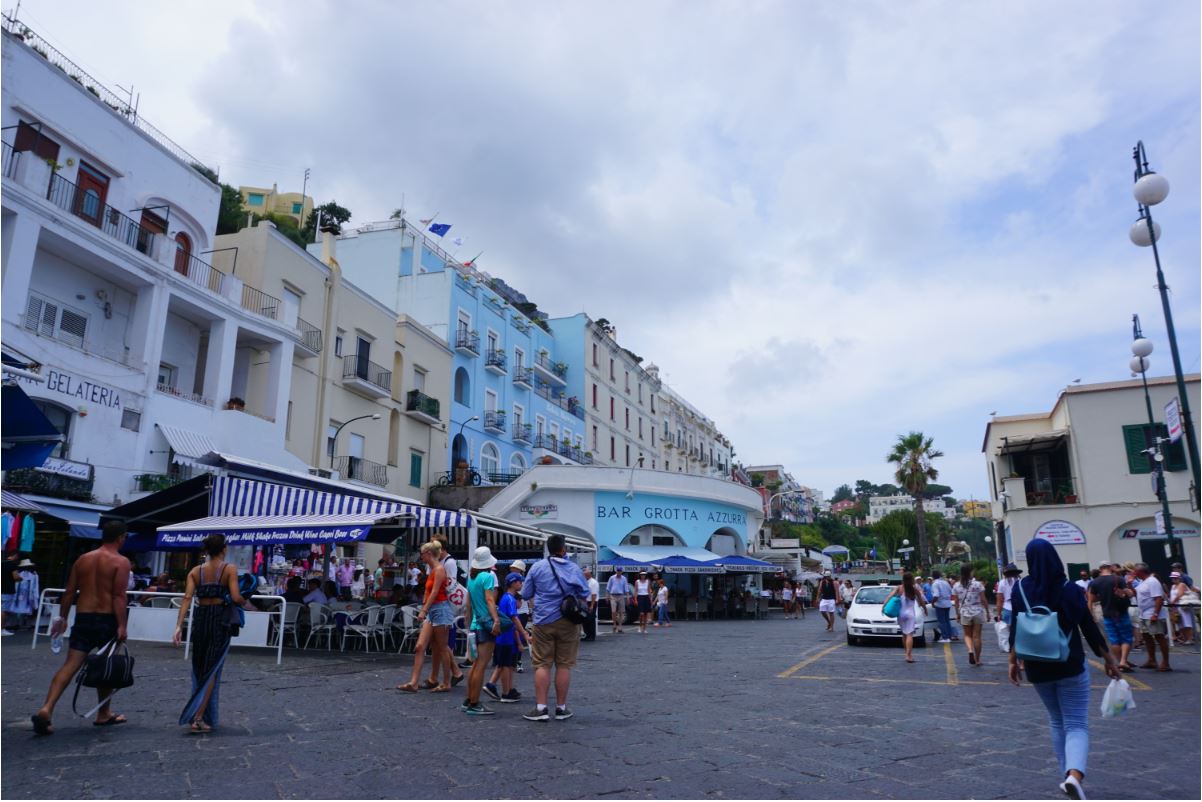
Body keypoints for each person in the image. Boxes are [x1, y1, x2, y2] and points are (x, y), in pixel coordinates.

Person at [1008, 538, 1119, 800]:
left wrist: (1012, 661)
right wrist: (1109, 660)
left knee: (1057, 721)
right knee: (1076, 723)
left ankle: (1067, 777)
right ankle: (1074, 776)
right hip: (1069, 663)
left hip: (1036, 665)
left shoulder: (1021, 588)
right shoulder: (1069, 589)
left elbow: (1016, 627)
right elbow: (1089, 628)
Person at [31, 522, 131, 734]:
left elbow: (69, 592)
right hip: (106, 619)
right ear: (121, 538)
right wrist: (122, 624)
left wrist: (63, 617)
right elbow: (118, 596)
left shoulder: (83, 559)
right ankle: (103, 713)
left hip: (84, 617)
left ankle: (47, 708)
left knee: (70, 664)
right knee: (107, 665)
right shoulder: (121, 562)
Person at [172, 533, 255, 734]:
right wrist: (246, 602)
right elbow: (235, 596)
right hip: (219, 620)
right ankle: (199, 717)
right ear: (224, 549)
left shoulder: (195, 571)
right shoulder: (229, 569)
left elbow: (187, 598)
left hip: (201, 618)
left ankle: (199, 712)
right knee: (212, 669)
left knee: (200, 667)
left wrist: (178, 626)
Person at [520, 534, 589, 722]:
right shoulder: (574, 569)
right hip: (568, 621)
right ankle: (561, 707)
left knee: (542, 663)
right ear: (563, 549)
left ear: (548, 549)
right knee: (564, 664)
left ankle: (541, 708)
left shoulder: (537, 567)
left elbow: (526, 594)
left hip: (543, 620)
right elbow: (585, 593)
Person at [395, 541, 457, 694]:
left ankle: (446, 682)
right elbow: (429, 592)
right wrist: (425, 607)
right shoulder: (432, 569)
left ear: (428, 554)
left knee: (442, 647)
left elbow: (435, 592)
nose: (420, 557)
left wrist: (423, 610)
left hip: (440, 609)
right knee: (420, 646)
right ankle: (414, 683)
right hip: (433, 610)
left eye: (422, 554)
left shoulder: (440, 569)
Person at [462, 546, 501, 716]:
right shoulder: (487, 577)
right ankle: (475, 703)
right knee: (482, 666)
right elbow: (489, 599)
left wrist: (469, 624)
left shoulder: (471, 579)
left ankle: (469, 699)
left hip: (475, 625)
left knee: (475, 665)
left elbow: (468, 605)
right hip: (486, 625)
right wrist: (496, 620)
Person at [485, 573, 530, 703]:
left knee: (507, 665)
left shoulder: (506, 598)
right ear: (513, 583)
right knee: (505, 665)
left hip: (506, 637)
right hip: (505, 638)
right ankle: (506, 692)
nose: (521, 584)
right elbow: (514, 618)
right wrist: (524, 633)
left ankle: (506, 689)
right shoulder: (509, 599)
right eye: (519, 582)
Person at [1086, 562, 1136, 672]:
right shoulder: (1118, 579)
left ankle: (1119, 662)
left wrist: (1092, 613)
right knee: (1126, 637)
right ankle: (1123, 661)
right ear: (1110, 568)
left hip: (1107, 613)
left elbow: (1091, 600)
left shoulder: (1095, 582)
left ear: (1100, 569)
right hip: (1121, 612)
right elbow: (1128, 594)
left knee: (1114, 640)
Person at [1133, 563, 1171, 672]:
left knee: (1159, 637)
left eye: (1136, 571)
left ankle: (1165, 662)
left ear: (1141, 572)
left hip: (1151, 614)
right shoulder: (1142, 582)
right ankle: (1152, 660)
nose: (1134, 573)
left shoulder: (1152, 581)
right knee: (1147, 637)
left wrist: (1155, 614)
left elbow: (1158, 599)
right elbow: (1137, 594)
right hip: (1143, 614)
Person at [883, 573, 927, 663]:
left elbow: (889, 597)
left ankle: (906, 652)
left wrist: (883, 606)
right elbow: (921, 601)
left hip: (900, 613)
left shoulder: (899, 588)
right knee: (910, 634)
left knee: (904, 634)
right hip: (910, 614)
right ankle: (909, 655)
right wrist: (925, 609)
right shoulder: (914, 589)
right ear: (912, 580)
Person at [953, 564, 988, 666]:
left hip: (964, 611)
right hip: (977, 611)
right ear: (970, 572)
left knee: (967, 635)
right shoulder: (978, 584)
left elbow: (956, 602)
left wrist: (957, 614)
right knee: (977, 637)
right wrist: (987, 612)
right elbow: (983, 599)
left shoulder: (956, 585)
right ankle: (977, 660)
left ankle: (970, 650)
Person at [1169, 572, 1196, 646]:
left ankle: (1190, 639)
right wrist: (1172, 605)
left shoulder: (1182, 585)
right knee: (1180, 624)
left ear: (1179, 578)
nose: (1173, 579)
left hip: (1183, 607)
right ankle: (1185, 639)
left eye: (1175, 578)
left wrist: (1172, 603)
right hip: (1176, 607)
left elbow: (1179, 595)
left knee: (1187, 623)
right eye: (1172, 578)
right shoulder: (1173, 586)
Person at [930, 570, 957, 642]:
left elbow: (936, 595)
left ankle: (945, 637)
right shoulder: (945, 582)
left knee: (942, 622)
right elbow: (950, 592)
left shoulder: (935, 584)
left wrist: (932, 603)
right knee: (947, 620)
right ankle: (949, 636)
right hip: (947, 603)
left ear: (933, 576)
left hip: (940, 604)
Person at [606, 566, 631, 634]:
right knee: (613, 611)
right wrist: (607, 596)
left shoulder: (624, 579)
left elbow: (626, 588)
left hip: (621, 595)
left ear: (621, 571)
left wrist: (628, 597)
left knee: (621, 612)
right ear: (616, 571)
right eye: (618, 571)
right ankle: (614, 624)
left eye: (620, 571)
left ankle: (620, 626)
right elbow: (608, 587)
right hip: (613, 595)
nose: (619, 572)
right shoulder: (612, 578)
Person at [1, 552, 19, 636]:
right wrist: (20, 578)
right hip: (7, 591)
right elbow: (16, 577)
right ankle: (1, 629)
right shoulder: (12, 564)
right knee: (4, 611)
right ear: (15, 556)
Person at [582, 567, 599, 641]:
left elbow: (594, 595)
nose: (584, 575)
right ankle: (587, 634)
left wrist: (592, 606)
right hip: (585, 602)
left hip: (591, 602)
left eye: (585, 574)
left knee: (591, 619)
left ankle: (591, 636)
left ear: (589, 574)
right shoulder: (585, 581)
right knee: (585, 619)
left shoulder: (593, 582)